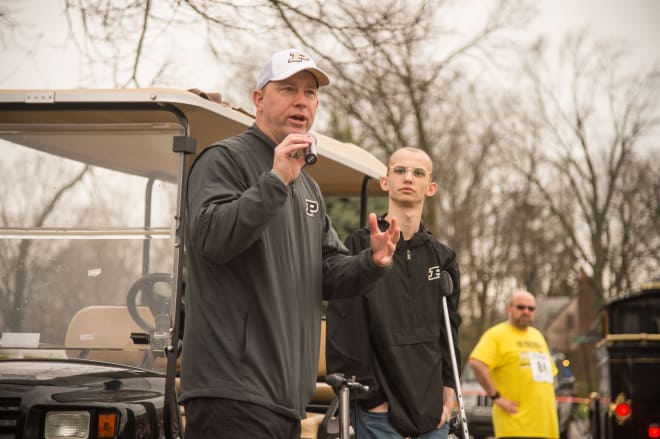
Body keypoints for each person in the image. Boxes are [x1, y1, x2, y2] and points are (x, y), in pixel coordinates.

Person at [180, 48, 401, 438]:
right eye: (288, 89)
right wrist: (275, 181)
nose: (302, 100)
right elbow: (211, 239)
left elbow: (329, 271)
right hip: (231, 394)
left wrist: (373, 261)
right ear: (259, 99)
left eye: (311, 93)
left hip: (284, 401)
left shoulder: (306, 184)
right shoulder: (223, 160)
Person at [326, 146, 462, 438]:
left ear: (431, 187)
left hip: (431, 410)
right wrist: (371, 397)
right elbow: (344, 325)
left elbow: (449, 327)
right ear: (385, 181)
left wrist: (450, 388)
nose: (408, 177)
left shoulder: (443, 258)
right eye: (399, 170)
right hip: (379, 408)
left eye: (417, 172)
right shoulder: (360, 246)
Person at [469, 290, 560, 439]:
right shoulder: (496, 335)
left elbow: (551, 373)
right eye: (521, 307)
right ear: (509, 308)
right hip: (515, 426)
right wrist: (496, 397)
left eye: (531, 308)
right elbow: (477, 363)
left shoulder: (538, 336)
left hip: (546, 426)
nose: (526, 311)